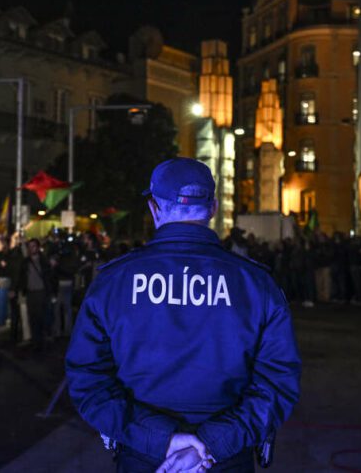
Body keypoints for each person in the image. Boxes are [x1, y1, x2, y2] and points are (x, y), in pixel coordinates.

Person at [65, 158, 302, 472]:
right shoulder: (255, 283)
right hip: (226, 457)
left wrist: (161, 439)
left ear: (154, 208)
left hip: (144, 455)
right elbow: (277, 382)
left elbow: (87, 380)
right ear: (213, 208)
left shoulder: (113, 281)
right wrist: (212, 445)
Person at [16, 238, 55, 349]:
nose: (31, 248)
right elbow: (22, 277)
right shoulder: (26, 262)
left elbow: (50, 277)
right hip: (30, 292)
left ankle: (41, 339)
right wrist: (20, 289)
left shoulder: (44, 261)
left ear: (38, 247)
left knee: (41, 316)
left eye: (33, 246)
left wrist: (51, 292)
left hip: (41, 292)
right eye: (29, 246)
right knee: (32, 317)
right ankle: (35, 340)